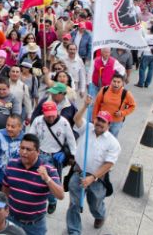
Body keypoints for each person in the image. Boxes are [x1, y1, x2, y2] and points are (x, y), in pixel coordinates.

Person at [66, 96, 121, 234]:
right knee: (74, 204)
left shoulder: (113, 143)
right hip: (78, 173)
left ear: (109, 125)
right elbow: (76, 119)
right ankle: (74, 230)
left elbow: (108, 164)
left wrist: (92, 178)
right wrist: (85, 106)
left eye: (103, 122)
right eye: (98, 120)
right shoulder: (87, 128)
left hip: (97, 179)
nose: (99, 123)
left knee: (95, 204)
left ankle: (99, 215)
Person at [1, 133, 64, 235]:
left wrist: (47, 179)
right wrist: (4, 208)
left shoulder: (49, 169)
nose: (24, 152)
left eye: (28, 149)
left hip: (35, 226)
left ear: (38, 152)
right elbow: (5, 188)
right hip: (12, 221)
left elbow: (60, 195)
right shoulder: (11, 164)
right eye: (22, 148)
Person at [27, 101, 77, 215]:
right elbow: (31, 137)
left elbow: (71, 141)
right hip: (39, 155)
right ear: (43, 113)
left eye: (53, 114)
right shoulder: (38, 121)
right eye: (48, 115)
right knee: (35, 179)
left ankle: (52, 200)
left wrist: (72, 156)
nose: (50, 117)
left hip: (55, 158)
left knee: (52, 182)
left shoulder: (64, 123)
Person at [92, 73, 136, 138]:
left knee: (112, 139)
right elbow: (97, 104)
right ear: (111, 81)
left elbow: (133, 106)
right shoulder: (104, 89)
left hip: (116, 122)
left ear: (122, 83)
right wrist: (94, 118)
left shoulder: (126, 93)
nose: (116, 84)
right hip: (103, 121)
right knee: (100, 138)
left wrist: (122, 113)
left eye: (119, 82)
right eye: (114, 81)